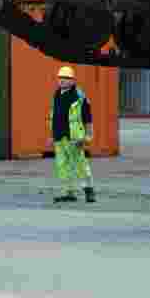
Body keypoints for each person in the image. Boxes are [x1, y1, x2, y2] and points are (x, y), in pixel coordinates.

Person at [48, 66, 96, 204]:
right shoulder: (57, 94)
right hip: (59, 136)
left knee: (80, 164)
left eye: (66, 78)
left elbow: (87, 117)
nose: (63, 80)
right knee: (62, 165)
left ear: (72, 80)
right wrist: (52, 135)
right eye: (61, 78)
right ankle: (68, 192)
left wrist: (88, 136)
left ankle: (89, 190)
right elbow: (54, 116)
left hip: (74, 137)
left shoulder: (79, 96)